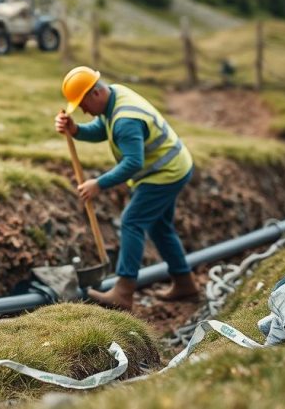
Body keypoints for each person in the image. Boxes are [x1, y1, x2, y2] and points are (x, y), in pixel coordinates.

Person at [54, 66, 198, 311]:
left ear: (95, 94)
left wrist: (98, 184)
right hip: (174, 165)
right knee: (160, 228)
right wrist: (76, 130)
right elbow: (104, 128)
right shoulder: (115, 95)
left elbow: (133, 162)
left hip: (165, 173)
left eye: (83, 104)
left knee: (132, 221)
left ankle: (123, 292)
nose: (84, 111)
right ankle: (185, 283)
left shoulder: (125, 120)